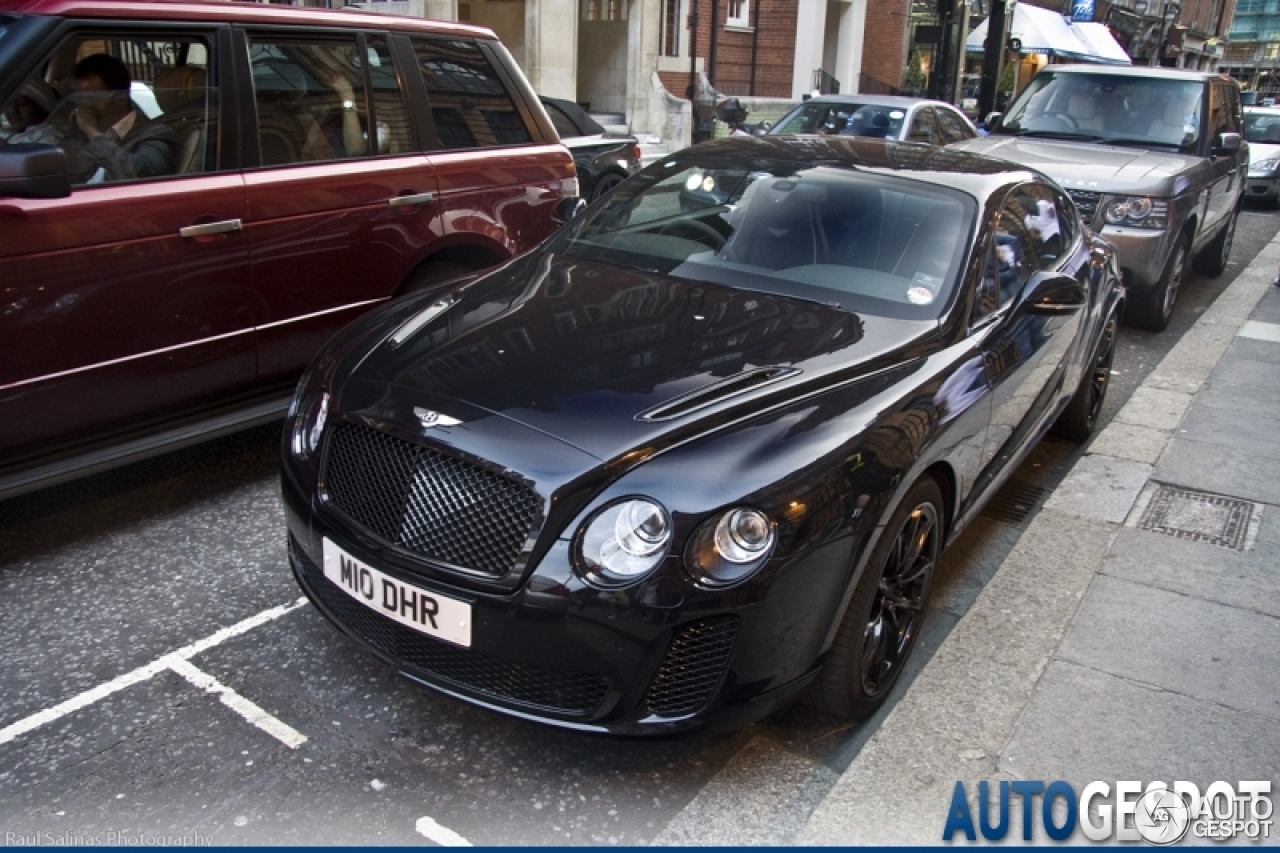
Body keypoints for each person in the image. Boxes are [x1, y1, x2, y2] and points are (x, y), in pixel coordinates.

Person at [64, 53, 176, 182]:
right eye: (78, 101)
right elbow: (65, 174)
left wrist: (91, 131)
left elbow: (138, 173)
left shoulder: (156, 134)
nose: (83, 109)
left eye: (90, 101)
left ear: (120, 103)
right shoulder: (82, 134)